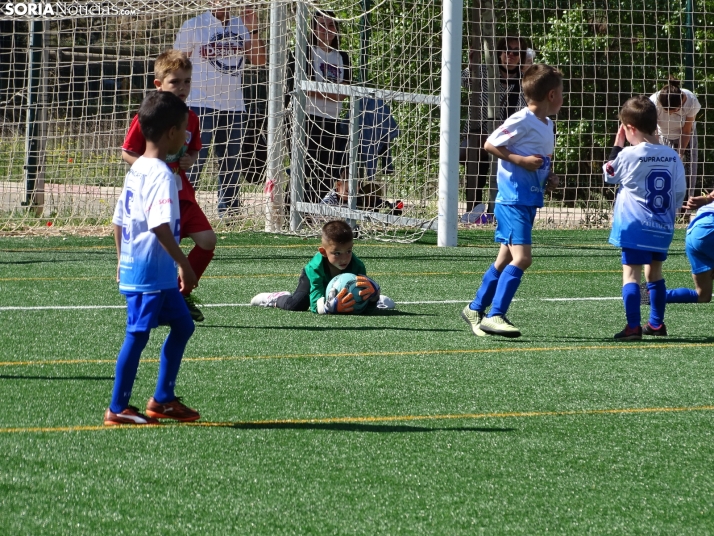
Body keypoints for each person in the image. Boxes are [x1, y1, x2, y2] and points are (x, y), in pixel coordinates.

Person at [105, 91, 200, 425]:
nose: (186, 137)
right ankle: (117, 408)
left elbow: (118, 220)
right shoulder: (160, 173)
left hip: (146, 270)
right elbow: (159, 225)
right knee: (137, 334)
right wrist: (184, 264)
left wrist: (120, 259)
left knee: (184, 325)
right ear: (172, 133)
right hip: (150, 272)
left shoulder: (138, 169)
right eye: (184, 130)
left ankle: (162, 400)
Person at [460, 64, 563, 338]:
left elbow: (538, 159)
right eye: (562, 92)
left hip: (528, 199)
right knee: (523, 258)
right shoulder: (521, 119)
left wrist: (548, 177)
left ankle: (475, 307)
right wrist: (520, 161)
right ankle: (495, 315)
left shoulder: (547, 124)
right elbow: (491, 143)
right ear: (552, 95)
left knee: (504, 259)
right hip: (513, 200)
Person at [122, 50, 216, 323]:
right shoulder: (148, 117)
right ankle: (152, 301)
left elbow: (195, 150)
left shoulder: (192, 118)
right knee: (158, 254)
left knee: (208, 240)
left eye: (187, 81)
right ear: (159, 84)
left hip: (182, 195)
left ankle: (181, 292)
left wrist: (190, 159)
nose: (182, 87)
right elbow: (127, 152)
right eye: (175, 81)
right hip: (156, 197)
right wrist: (149, 168)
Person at [603, 95, 686, 341]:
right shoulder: (672, 156)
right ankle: (657, 324)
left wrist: (617, 147)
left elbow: (608, 174)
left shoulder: (628, 154)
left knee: (631, 275)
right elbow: (679, 191)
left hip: (634, 227)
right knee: (655, 275)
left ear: (630, 128)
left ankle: (633, 327)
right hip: (662, 226)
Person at [173, 2, 266, 215]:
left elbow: (260, 60)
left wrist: (252, 29)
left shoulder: (242, 24)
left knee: (231, 163)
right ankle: (181, 210)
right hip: (199, 104)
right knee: (194, 161)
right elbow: (175, 64)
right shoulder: (194, 24)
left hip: (233, 105)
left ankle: (229, 213)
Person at [250, 220, 395, 313]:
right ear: (323, 252)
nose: (344, 258)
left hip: (334, 290)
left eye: (348, 251)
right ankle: (276, 298)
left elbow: (362, 299)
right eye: (337, 253)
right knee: (298, 304)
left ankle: (380, 300)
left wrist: (373, 298)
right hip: (312, 281)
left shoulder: (357, 266)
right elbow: (315, 303)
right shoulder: (315, 268)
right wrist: (327, 308)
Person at [460, 37, 529, 224]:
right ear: (498, 53)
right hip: (479, 135)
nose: (511, 55)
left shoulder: (527, 81)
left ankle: (497, 210)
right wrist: (471, 66)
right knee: (476, 149)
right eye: (507, 50)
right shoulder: (484, 72)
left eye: (517, 51)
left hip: (512, 139)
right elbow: (460, 81)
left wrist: (529, 70)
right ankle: (473, 207)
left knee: (504, 157)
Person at [300, 10, 351, 203]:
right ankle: (294, 211)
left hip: (332, 120)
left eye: (330, 25)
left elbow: (345, 92)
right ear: (313, 29)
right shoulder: (306, 52)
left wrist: (326, 92)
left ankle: (314, 209)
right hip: (308, 118)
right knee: (305, 168)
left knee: (329, 169)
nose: (326, 29)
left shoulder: (342, 57)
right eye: (321, 25)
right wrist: (333, 93)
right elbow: (307, 88)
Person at [657, 191, 714, 304]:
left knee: (702, 295)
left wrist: (708, 198)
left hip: (695, 232)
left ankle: (644, 294)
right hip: (710, 228)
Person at [650, 78, 701, 202]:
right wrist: (658, 150)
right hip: (663, 136)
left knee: (688, 172)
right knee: (663, 172)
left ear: (680, 104)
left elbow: (686, 130)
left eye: (673, 111)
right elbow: (654, 130)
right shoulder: (653, 102)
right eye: (667, 111)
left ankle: (686, 209)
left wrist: (680, 152)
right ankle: (664, 204)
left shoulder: (691, 101)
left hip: (685, 136)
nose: (670, 114)